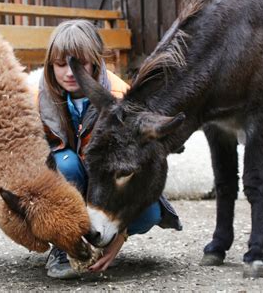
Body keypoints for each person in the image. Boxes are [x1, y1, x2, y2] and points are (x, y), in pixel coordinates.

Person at [35, 19, 182, 279]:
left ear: (94, 62)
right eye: (61, 65)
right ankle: (65, 244)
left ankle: (103, 236)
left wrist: (121, 236)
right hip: (63, 181)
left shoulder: (120, 97)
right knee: (66, 163)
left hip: (103, 185)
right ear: (49, 66)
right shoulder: (37, 98)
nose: (69, 73)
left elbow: (143, 164)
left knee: (150, 213)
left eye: (78, 66)